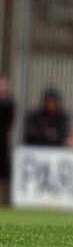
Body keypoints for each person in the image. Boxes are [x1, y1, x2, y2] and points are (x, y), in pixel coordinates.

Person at [0, 76, 14, 206]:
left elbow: (10, 122)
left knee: (3, 170)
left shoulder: (9, 103)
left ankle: (3, 200)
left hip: (2, 140)